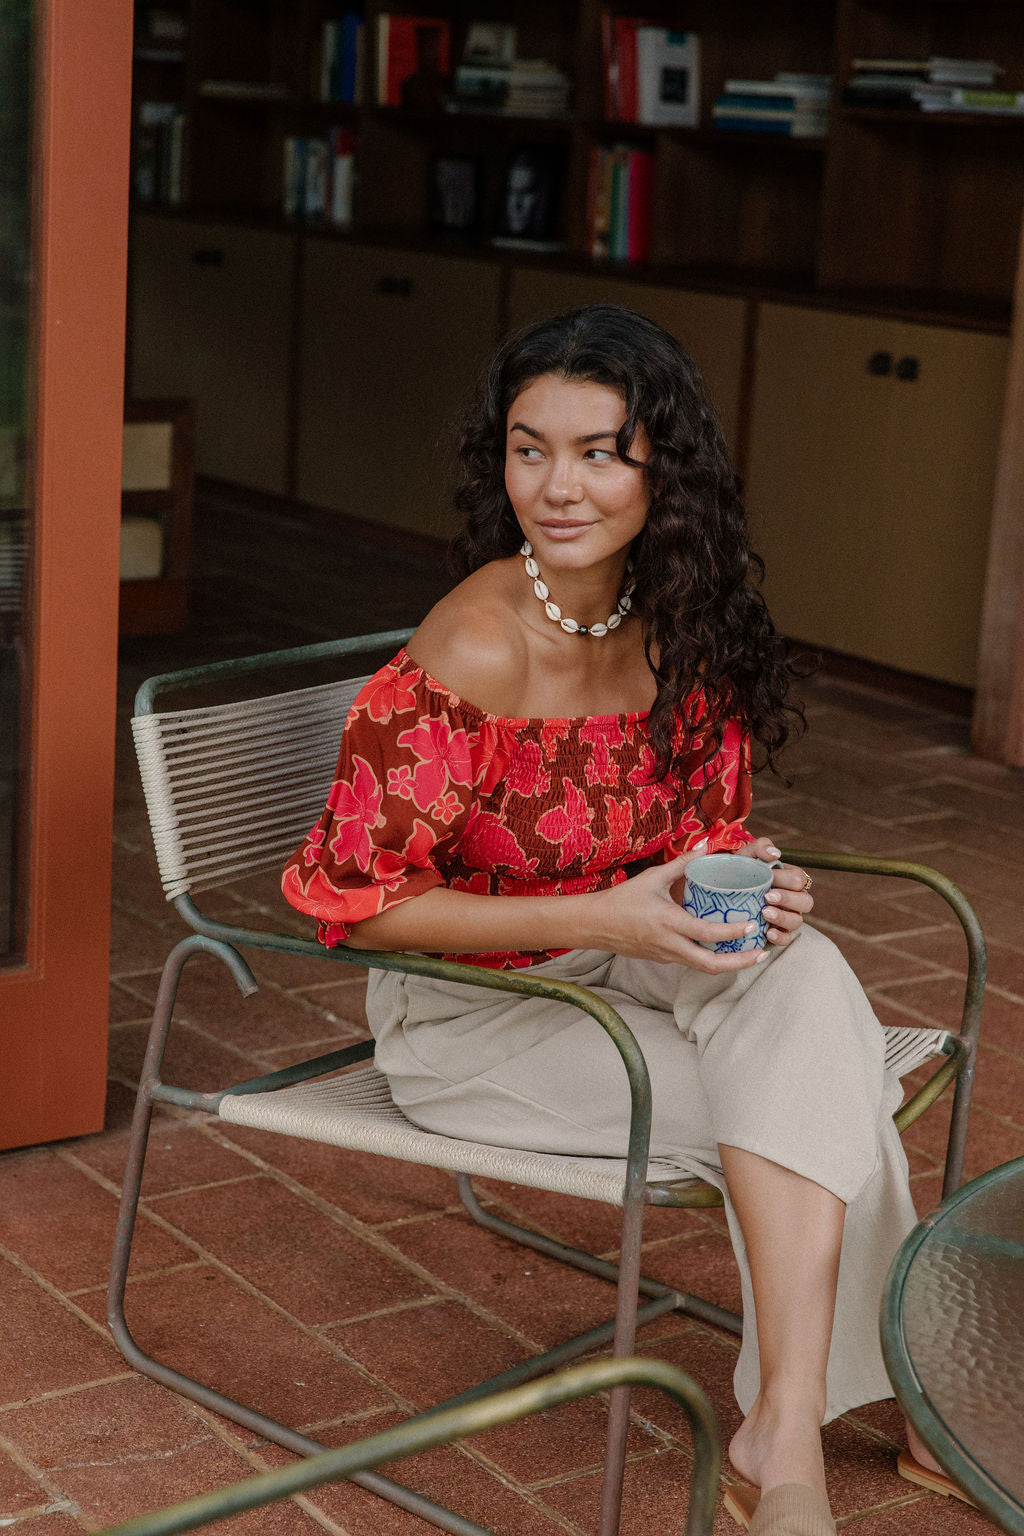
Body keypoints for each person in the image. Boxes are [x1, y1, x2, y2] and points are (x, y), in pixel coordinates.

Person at [282, 305, 946, 1534]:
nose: (558, 486)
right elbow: (356, 907)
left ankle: (781, 1424)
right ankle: (902, 1414)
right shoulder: (473, 643)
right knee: (817, 1096)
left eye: (599, 451)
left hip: (633, 957)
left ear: (663, 469)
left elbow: (696, 843)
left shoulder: (681, 612)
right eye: (529, 450)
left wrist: (747, 878)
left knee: (805, 984)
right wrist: (617, 919)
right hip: (474, 1011)